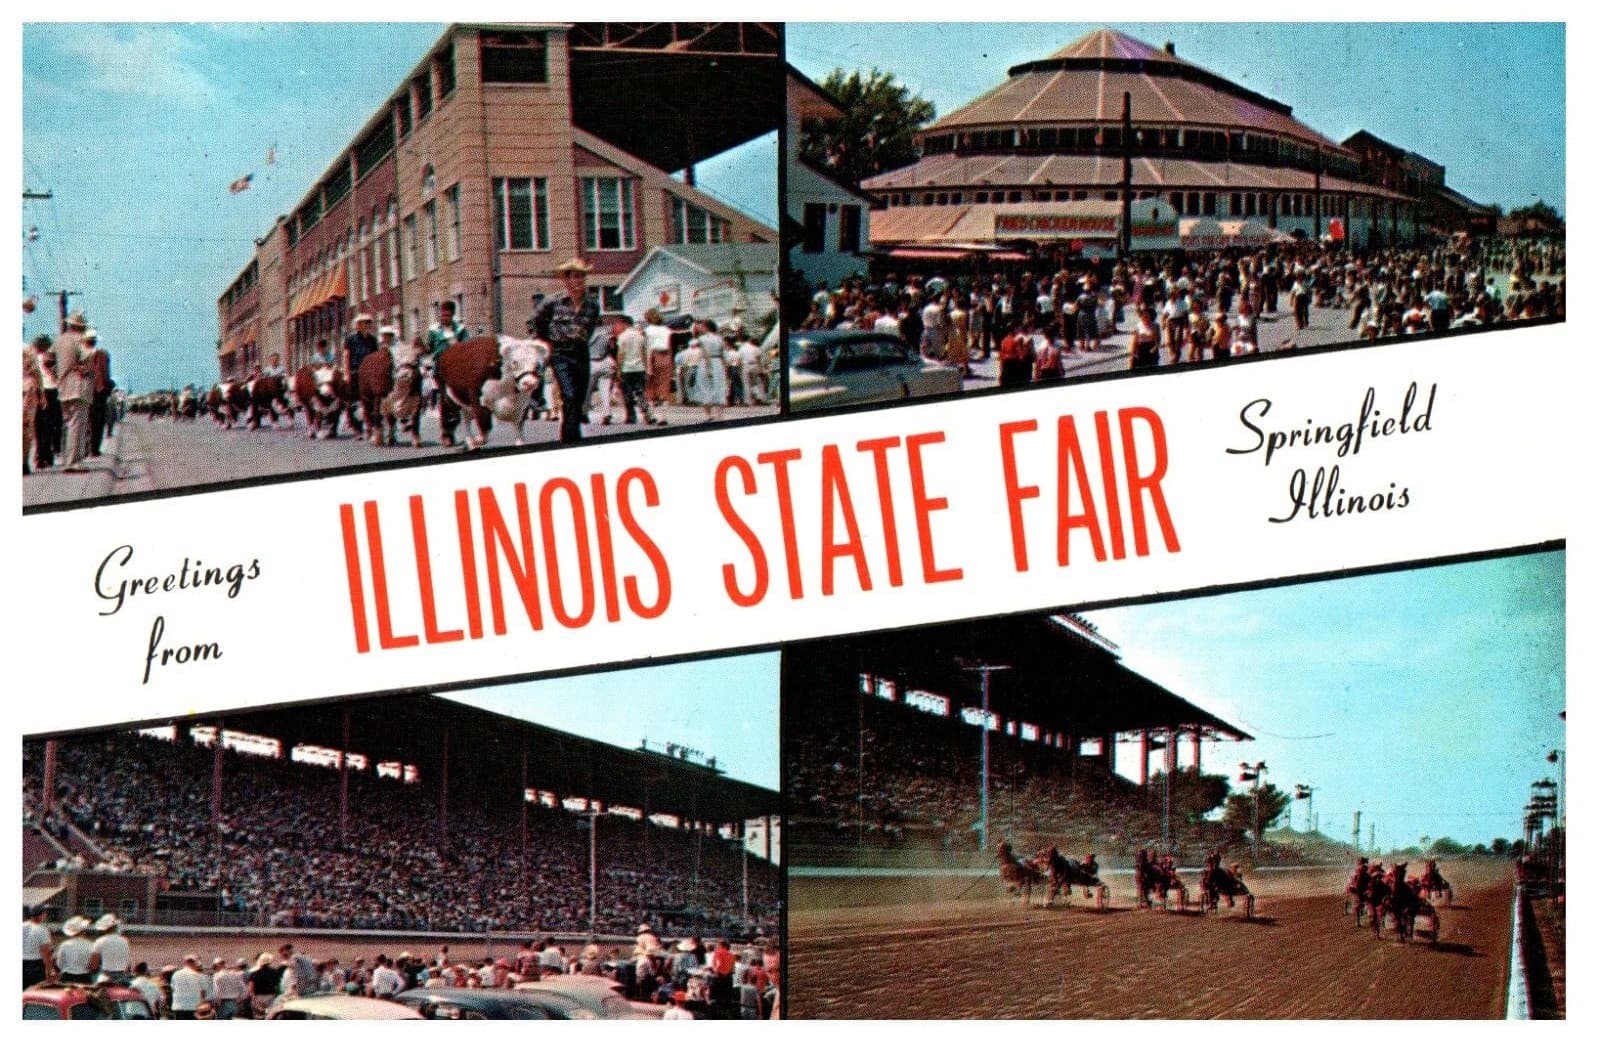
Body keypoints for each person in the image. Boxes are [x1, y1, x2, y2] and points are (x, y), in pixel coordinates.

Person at [533, 260, 599, 444]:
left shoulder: (592, 305)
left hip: (581, 352)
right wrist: (547, 343)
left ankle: (571, 432)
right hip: (560, 354)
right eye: (575, 276)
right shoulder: (552, 302)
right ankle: (571, 439)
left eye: (582, 276)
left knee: (579, 397)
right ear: (567, 280)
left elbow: (591, 327)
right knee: (568, 395)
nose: (580, 280)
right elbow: (537, 321)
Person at [54, 312, 95, 471]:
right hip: (78, 387)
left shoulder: (59, 340)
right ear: (81, 326)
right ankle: (73, 463)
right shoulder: (80, 341)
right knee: (77, 426)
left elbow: (48, 360)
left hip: (63, 387)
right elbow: (88, 358)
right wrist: (84, 369)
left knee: (67, 425)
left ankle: (66, 460)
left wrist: (59, 372)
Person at [425, 301, 471, 443]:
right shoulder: (434, 330)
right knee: (445, 399)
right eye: (442, 314)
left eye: (447, 315)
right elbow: (429, 348)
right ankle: (446, 433)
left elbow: (466, 346)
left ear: (452, 315)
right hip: (441, 368)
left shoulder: (460, 329)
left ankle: (456, 426)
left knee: (459, 398)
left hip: (457, 367)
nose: (444, 317)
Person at [612, 314, 654, 425]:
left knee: (627, 393)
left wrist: (618, 370)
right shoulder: (640, 336)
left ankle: (631, 416)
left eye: (618, 324)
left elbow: (621, 354)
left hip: (626, 369)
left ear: (624, 323)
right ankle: (647, 413)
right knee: (640, 392)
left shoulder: (622, 337)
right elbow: (644, 353)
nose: (617, 327)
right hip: (639, 368)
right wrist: (646, 368)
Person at [692, 322, 729, 422]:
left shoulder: (703, 339)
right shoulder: (720, 339)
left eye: (702, 327)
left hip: (705, 362)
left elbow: (705, 352)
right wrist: (725, 368)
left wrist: (708, 368)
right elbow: (724, 355)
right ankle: (719, 415)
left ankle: (707, 414)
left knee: (704, 386)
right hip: (718, 362)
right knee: (719, 387)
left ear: (707, 328)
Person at [85, 329, 113, 457]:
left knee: (85, 420)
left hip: (84, 389)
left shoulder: (81, 354)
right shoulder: (102, 355)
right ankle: (94, 448)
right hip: (98, 390)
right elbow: (106, 374)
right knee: (97, 421)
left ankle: (85, 446)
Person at [643, 308, 674, 406]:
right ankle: (663, 415)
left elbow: (646, 347)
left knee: (650, 386)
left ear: (648, 319)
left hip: (652, 356)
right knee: (664, 385)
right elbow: (670, 345)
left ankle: (652, 412)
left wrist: (646, 364)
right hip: (666, 355)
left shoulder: (647, 331)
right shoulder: (667, 330)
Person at [89, 913, 131, 980]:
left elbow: (94, 965)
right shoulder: (125, 941)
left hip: (106, 976)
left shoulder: (100, 941)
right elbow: (127, 964)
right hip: (122, 975)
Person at [170, 955, 214, 1019]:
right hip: (195, 1008)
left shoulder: (175, 975)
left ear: (185, 962)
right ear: (194, 963)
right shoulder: (201, 976)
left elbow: (173, 989)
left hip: (178, 1008)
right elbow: (205, 994)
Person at [54, 915, 94, 983]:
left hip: (67, 977)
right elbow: (92, 965)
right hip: (84, 977)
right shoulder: (90, 945)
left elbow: (59, 964)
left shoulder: (65, 944)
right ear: (83, 931)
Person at [23, 904, 53, 987]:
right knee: (34, 991)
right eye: (45, 913)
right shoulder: (42, 930)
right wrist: (50, 969)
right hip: (35, 964)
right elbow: (45, 952)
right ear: (41, 914)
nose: (46, 915)